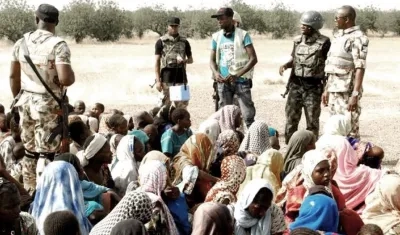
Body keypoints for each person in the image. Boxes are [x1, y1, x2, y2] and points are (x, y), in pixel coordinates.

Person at [9, 4, 75, 193]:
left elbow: (14, 77)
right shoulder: (59, 45)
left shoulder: (21, 43)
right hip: (48, 104)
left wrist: (18, 101)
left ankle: (30, 190)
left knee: (29, 151)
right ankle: (48, 193)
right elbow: (65, 79)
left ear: (36, 19)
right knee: (47, 154)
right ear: (57, 21)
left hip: (26, 101)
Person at [279, 11, 331, 144]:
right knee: (291, 119)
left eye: (305, 25)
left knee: (312, 121)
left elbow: (328, 66)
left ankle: (311, 148)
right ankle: (290, 147)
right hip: (296, 85)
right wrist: (286, 65)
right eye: (301, 24)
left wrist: (326, 89)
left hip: (313, 87)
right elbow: (295, 60)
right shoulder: (297, 41)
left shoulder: (324, 43)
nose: (302, 26)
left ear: (313, 26)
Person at [322, 5, 369, 139]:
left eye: (337, 18)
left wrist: (355, 94)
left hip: (347, 91)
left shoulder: (358, 37)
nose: (335, 20)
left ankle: (353, 158)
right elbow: (333, 67)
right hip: (334, 90)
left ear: (347, 19)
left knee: (350, 126)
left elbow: (360, 67)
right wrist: (327, 90)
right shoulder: (339, 37)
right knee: (335, 125)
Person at [210, 7, 258, 128]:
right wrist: (216, 73)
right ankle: (227, 141)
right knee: (225, 116)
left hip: (241, 81)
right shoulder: (216, 37)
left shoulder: (243, 35)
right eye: (218, 19)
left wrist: (238, 75)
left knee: (247, 116)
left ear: (231, 19)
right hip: (223, 82)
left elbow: (253, 59)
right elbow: (211, 60)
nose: (219, 21)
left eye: (222, 18)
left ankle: (250, 142)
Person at [155, 17, 193, 109]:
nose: (174, 28)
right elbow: (157, 62)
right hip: (166, 77)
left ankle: (179, 123)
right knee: (164, 107)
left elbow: (191, 60)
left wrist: (185, 61)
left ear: (178, 27)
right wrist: (158, 81)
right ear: (167, 27)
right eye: (171, 26)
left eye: (176, 26)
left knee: (181, 108)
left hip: (181, 77)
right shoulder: (161, 41)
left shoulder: (184, 42)